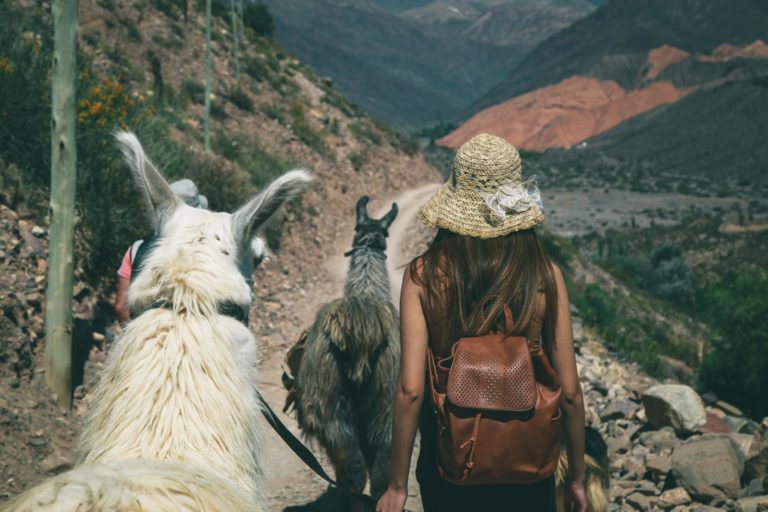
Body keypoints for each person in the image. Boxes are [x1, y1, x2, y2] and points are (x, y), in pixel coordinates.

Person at [377, 134, 588, 512]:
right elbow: (570, 392)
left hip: (450, 465)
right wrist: (576, 478)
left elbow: (410, 390)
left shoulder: (424, 275)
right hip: (530, 464)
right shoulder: (544, 275)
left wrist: (396, 486)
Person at [114, 179, 208, 324]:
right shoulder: (205, 252)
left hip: (145, 337)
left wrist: (134, 337)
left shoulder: (136, 249)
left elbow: (121, 307)